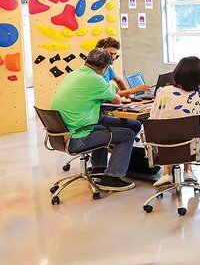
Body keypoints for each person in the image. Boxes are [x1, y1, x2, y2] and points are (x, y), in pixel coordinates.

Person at [50, 48, 138, 192]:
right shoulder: (96, 79)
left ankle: (99, 170)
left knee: (133, 124)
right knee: (127, 134)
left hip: (65, 132)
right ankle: (111, 178)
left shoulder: (73, 74)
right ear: (104, 69)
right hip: (78, 136)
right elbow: (116, 100)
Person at [150, 57, 200, 187]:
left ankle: (167, 173)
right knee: (191, 131)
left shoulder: (164, 91)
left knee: (166, 127)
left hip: (164, 147)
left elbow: (154, 117)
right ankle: (188, 170)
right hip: (191, 148)